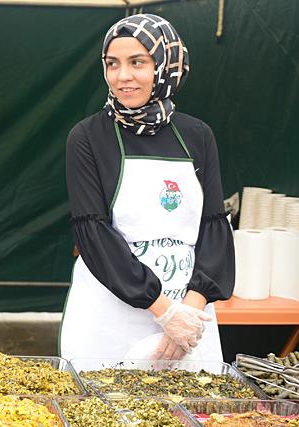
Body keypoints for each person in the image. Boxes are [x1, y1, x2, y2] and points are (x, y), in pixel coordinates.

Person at [61, 14, 234, 362]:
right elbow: (94, 233)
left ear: (165, 66)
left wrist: (189, 309)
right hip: (111, 318)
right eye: (113, 64)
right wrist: (163, 311)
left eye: (137, 62)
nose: (123, 76)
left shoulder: (198, 135)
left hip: (189, 316)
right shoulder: (87, 137)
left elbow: (214, 226)